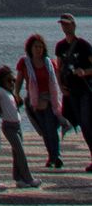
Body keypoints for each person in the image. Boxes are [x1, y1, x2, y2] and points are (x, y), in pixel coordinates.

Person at [18, 36, 66, 168]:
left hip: (50, 100)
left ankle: (56, 156)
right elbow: (19, 80)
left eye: (40, 47)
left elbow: (57, 80)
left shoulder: (49, 63)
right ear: (30, 48)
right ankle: (51, 155)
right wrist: (16, 95)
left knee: (51, 128)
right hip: (34, 101)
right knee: (44, 130)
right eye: (35, 47)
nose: (38, 49)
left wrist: (63, 91)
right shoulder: (25, 63)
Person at [0, 68, 38, 188]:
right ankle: (28, 178)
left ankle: (19, 179)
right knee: (20, 152)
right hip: (8, 127)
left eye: (13, 80)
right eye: (8, 80)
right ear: (1, 81)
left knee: (17, 154)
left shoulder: (10, 93)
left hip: (17, 126)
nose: (12, 83)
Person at [58, 23, 92, 165]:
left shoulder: (83, 45)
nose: (65, 27)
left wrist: (84, 72)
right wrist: (61, 87)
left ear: (74, 25)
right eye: (63, 24)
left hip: (85, 90)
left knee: (87, 123)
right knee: (81, 124)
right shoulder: (60, 46)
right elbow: (59, 68)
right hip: (71, 91)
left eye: (67, 24)